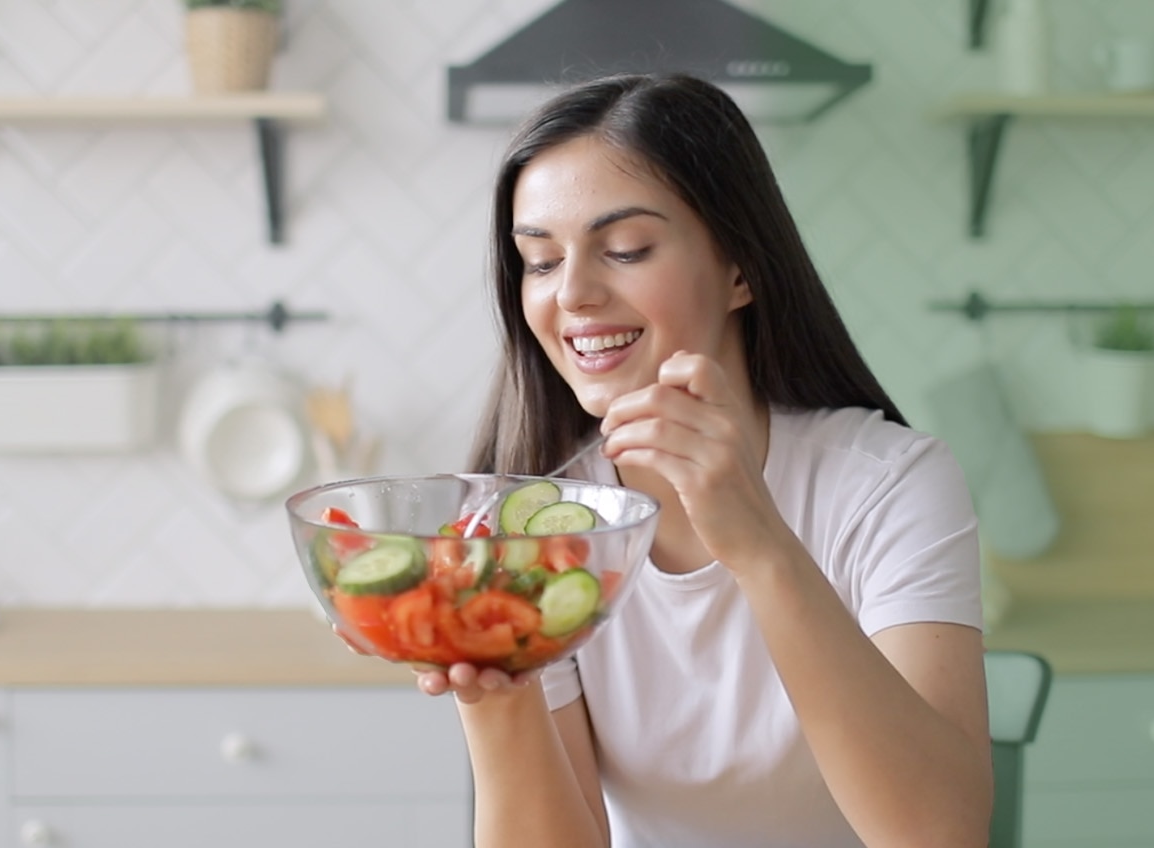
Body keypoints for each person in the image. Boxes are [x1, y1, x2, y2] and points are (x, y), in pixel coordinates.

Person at [416, 72, 991, 848]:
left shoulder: (889, 483)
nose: (574, 294)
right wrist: (496, 692)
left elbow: (940, 833)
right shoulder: (538, 528)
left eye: (625, 249)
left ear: (740, 270)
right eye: (542, 262)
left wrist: (759, 543)